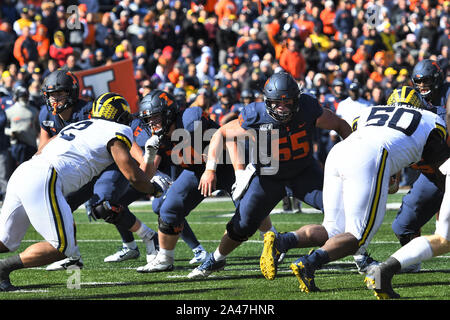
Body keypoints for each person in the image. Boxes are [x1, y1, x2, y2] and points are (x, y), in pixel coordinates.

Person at [266, 86, 446, 293]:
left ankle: (282, 240)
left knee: (332, 229)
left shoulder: (370, 111)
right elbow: (427, 155)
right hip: (371, 156)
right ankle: (309, 263)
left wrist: (390, 171)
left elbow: (386, 138)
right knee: (357, 237)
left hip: (340, 151)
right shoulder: (430, 119)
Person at [187, 71, 351, 279]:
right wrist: (211, 169)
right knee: (241, 225)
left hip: (304, 173)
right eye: (276, 102)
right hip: (268, 177)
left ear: (297, 99)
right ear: (267, 101)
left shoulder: (308, 108)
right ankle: (216, 258)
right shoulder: (255, 114)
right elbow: (221, 133)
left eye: (287, 102)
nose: (282, 107)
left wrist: (354, 159)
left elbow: (339, 124)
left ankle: (359, 255)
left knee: (344, 211)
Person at [0, 93, 171, 291]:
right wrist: (155, 190)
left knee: (5, 240)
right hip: (44, 176)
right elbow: (133, 176)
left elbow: (43, 149)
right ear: (119, 115)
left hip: (24, 171)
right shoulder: (118, 129)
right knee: (62, 247)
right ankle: (3, 268)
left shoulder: (77, 125)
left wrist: (148, 161)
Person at [37, 71, 158, 270]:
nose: (54, 99)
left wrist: (143, 160)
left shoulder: (88, 111)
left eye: (60, 94)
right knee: (62, 204)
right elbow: (43, 146)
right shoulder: (46, 115)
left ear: (72, 93)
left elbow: (117, 134)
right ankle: (72, 254)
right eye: (51, 95)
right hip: (83, 167)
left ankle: (148, 236)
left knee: (105, 204)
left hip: (108, 161)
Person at [103, 90, 209, 265]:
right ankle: (129, 246)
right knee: (111, 202)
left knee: (162, 205)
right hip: (145, 169)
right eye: (148, 118)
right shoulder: (130, 127)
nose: (151, 121)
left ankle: (197, 249)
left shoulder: (158, 124)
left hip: (167, 167)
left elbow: (149, 159)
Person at [390, 59, 450, 273]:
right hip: (431, 174)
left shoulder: (447, 97)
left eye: (426, 81)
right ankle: (411, 261)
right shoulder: (412, 102)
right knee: (403, 226)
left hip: (447, 166)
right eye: (418, 82)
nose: (422, 86)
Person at [5, 86, 39, 169]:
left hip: (32, 145)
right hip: (17, 146)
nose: (24, 98)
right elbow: (4, 129)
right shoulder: (9, 112)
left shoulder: (34, 111)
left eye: (26, 96)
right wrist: (11, 132)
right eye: (22, 96)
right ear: (16, 97)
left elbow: (38, 129)